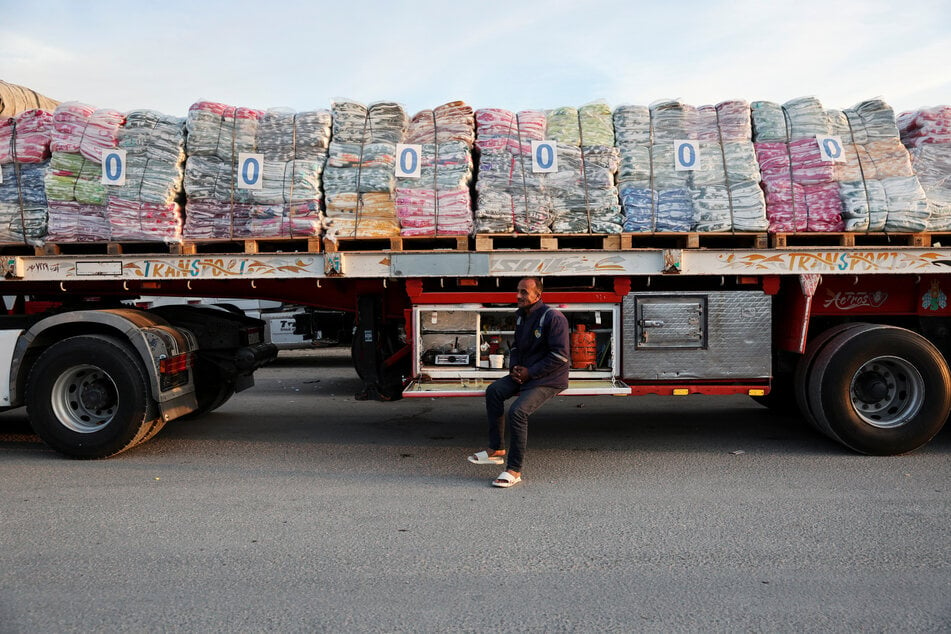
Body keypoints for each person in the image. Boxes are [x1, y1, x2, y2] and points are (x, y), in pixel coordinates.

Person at [467, 276, 570, 488]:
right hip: (525, 374)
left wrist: (529, 372)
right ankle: (496, 449)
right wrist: (514, 368)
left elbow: (560, 357)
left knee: (517, 412)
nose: (518, 296)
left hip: (549, 379)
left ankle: (514, 470)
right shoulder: (522, 316)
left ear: (538, 295)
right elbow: (515, 347)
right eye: (518, 291)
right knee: (494, 391)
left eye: (524, 292)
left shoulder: (554, 318)